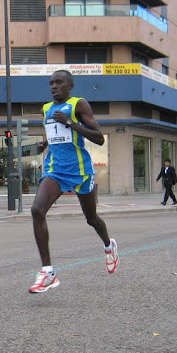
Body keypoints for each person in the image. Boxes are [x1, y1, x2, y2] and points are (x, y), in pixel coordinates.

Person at [29, 70, 119, 294]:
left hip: (80, 171)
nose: (53, 86)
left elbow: (98, 138)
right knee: (37, 210)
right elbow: (56, 134)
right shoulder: (46, 109)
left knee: (91, 218)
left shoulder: (79, 105)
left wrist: (71, 122)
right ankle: (48, 271)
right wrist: (45, 144)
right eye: (51, 83)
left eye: (59, 82)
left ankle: (109, 246)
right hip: (55, 169)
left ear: (70, 85)